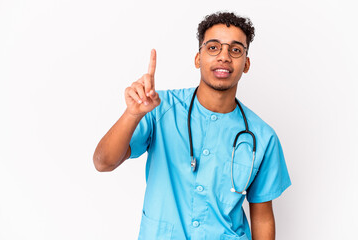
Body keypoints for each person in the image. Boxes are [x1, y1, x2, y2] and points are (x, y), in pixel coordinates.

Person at [93, 12, 291, 240]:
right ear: (198, 58)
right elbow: (103, 162)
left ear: (246, 63)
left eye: (235, 50)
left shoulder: (262, 137)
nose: (224, 57)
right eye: (213, 47)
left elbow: (262, 216)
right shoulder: (157, 108)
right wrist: (132, 113)